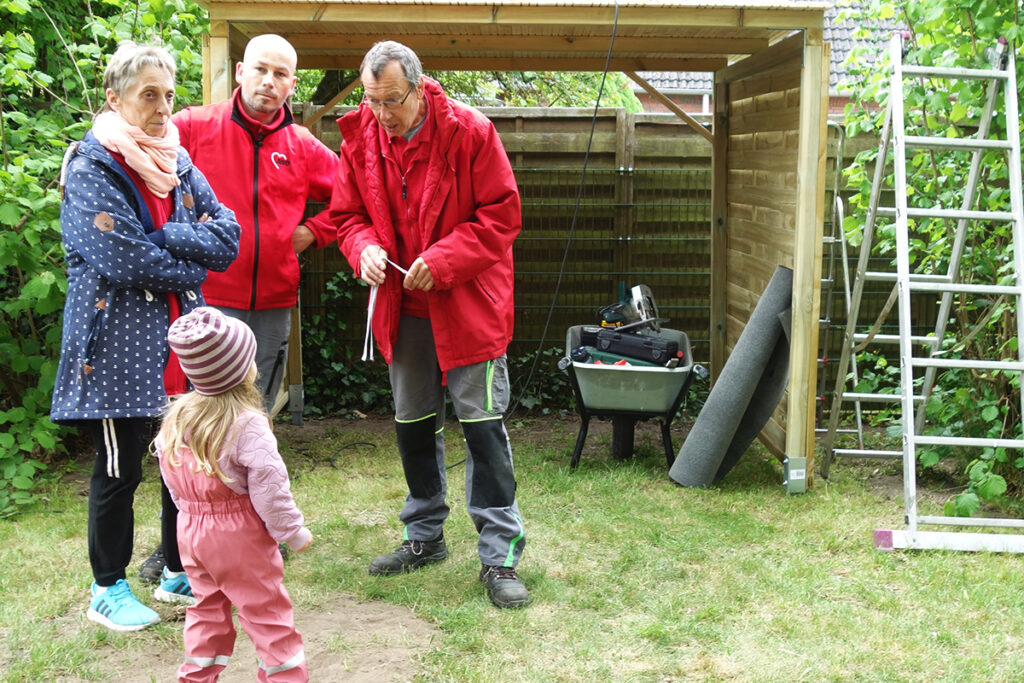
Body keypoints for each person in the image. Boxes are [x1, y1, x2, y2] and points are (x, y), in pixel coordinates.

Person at [330, 41, 529, 608]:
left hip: (469, 308)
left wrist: (441, 262)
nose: (381, 114)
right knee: (413, 424)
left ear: (419, 87)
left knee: (483, 428)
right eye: (372, 101)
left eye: (391, 101)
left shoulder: (470, 131)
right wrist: (362, 248)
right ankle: (424, 538)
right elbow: (347, 217)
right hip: (402, 309)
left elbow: (501, 216)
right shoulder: (361, 137)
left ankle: (499, 557)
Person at [51, 41, 241, 631]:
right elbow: (122, 257)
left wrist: (162, 240)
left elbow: (228, 237)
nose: (162, 108)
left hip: (178, 342)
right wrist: (188, 252)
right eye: (147, 96)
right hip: (115, 350)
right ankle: (106, 587)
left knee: (180, 462)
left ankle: (175, 570)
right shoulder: (91, 168)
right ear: (115, 99)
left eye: (168, 95)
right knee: (119, 469)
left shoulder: (178, 161)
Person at [137, 33, 339, 582]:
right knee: (189, 427)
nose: (270, 83)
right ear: (242, 71)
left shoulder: (300, 145)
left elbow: (353, 195)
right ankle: (174, 550)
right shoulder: (196, 126)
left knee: (251, 427)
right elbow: (141, 167)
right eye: (262, 71)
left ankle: (247, 540)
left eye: (282, 75)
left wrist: (314, 233)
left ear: (291, 84)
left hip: (271, 304)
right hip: (205, 306)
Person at [158, 306, 312, 682]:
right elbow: (271, 490)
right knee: (266, 613)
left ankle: (196, 677)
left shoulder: (177, 419)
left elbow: (172, 482)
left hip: (191, 533)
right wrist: (292, 533)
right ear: (243, 368)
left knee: (206, 610)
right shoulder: (248, 424)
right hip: (238, 536)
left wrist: (189, 516)